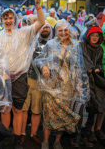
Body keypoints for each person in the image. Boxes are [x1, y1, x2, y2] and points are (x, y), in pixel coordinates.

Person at [0, 0, 45, 148]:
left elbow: (41, 23)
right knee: (4, 109)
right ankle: (5, 137)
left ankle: (16, 139)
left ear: (15, 19)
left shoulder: (23, 33)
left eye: (11, 18)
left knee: (17, 109)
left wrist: (38, 6)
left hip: (19, 78)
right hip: (3, 78)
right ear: (2, 20)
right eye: (5, 18)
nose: (8, 20)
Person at [35, 20, 90, 149]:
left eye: (66, 30)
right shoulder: (50, 44)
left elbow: (79, 67)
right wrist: (43, 67)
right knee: (49, 113)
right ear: (56, 32)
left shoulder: (75, 45)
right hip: (51, 85)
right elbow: (39, 60)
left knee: (64, 115)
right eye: (60, 30)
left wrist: (80, 85)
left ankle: (57, 141)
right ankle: (46, 140)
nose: (63, 33)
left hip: (68, 87)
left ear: (69, 31)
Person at [21, 22, 52, 145]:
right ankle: (22, 133)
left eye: (47, 27)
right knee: (24, 108)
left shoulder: (53, 44)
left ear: (51, 30)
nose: (45, 28)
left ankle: (33, 134)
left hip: (43, 83)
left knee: (36, 110)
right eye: (43, 26)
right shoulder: (31, 41)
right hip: (28, 79)